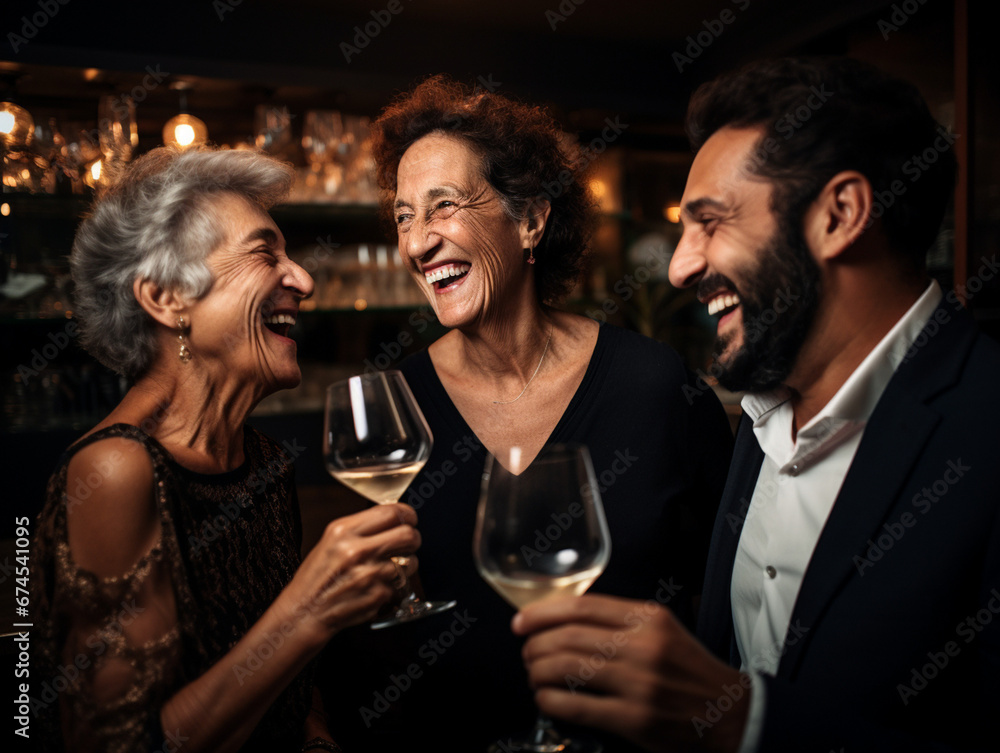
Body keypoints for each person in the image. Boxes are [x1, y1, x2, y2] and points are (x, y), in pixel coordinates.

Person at [513, 55, 1000, 752]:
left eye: (709, 222)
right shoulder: (758, 411)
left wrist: (742, 718)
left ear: (840, 214)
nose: (679, 266)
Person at [318, 75, 734, 752]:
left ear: (531, 219)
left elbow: (728, 605)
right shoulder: (398, 409)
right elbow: (366, 655)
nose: (418, 244)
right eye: (403, 216)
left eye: (443, 206)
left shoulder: (653, 385)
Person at [30, 145, 421, 753]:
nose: (304, 281)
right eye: (266, 254)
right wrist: (308, 611)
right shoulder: (114, 471)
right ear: (165, 299)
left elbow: (285, 686)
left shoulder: (260, 459)